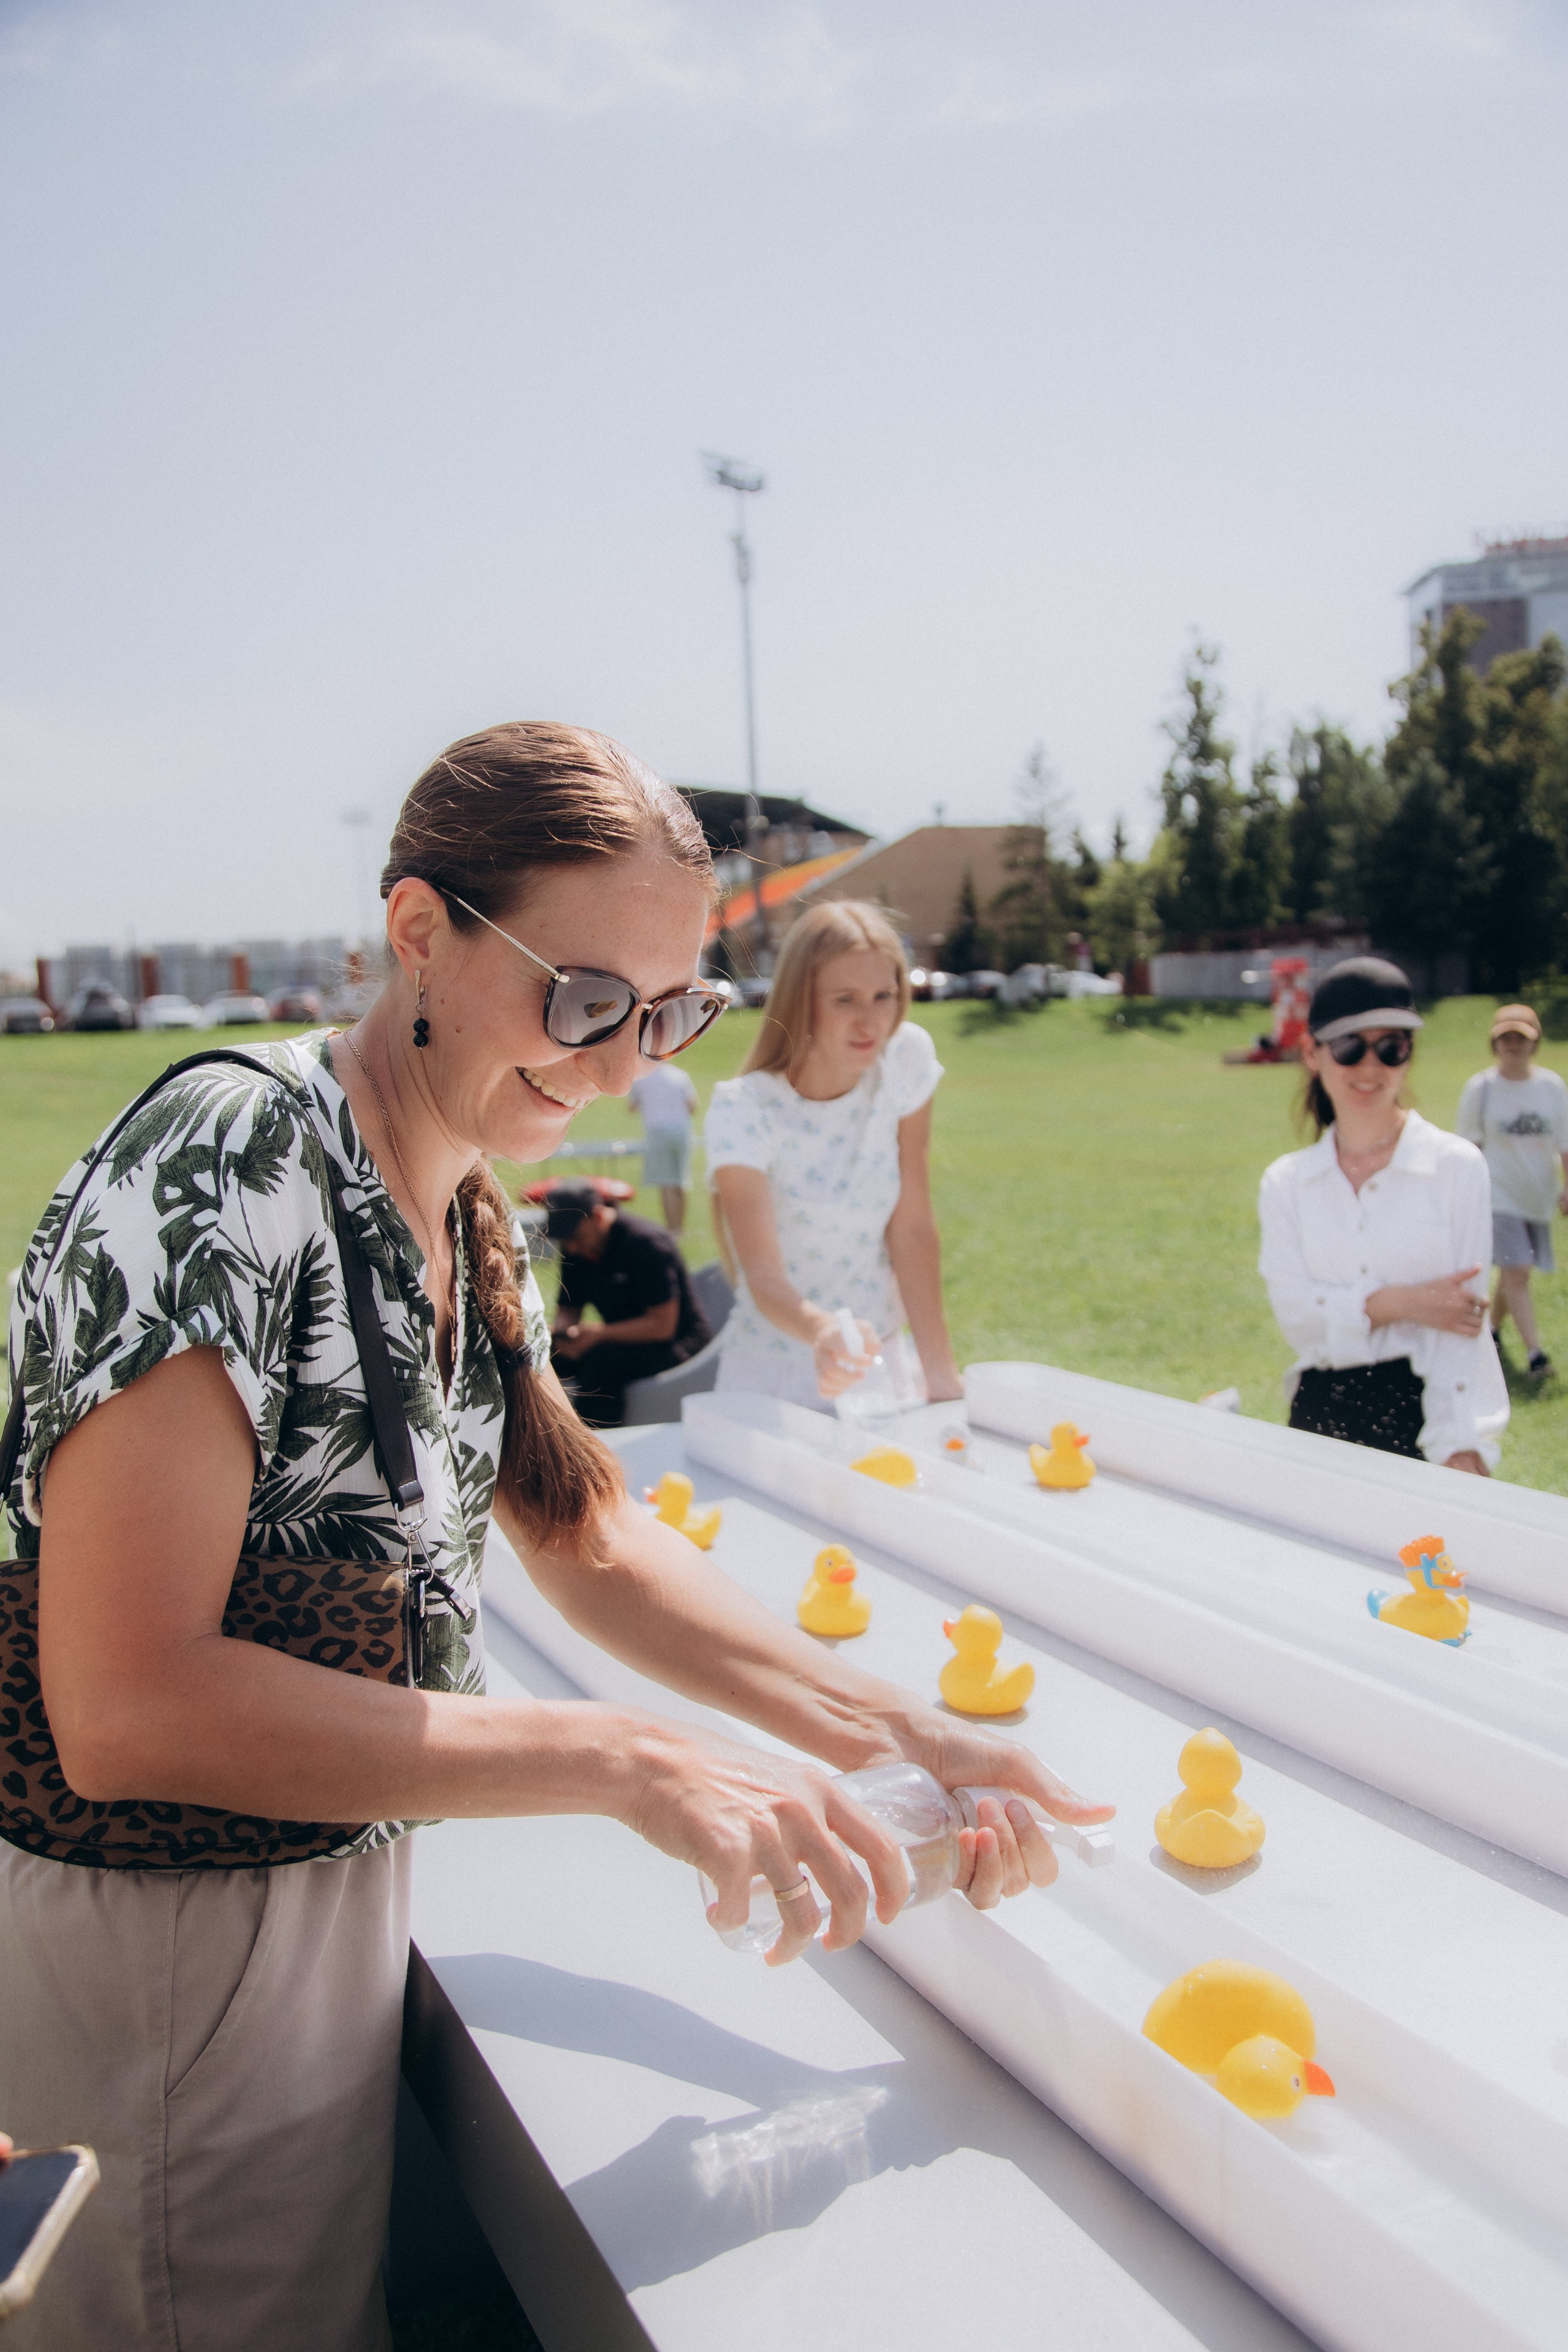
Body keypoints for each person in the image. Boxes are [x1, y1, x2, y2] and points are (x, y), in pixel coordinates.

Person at [1, 723, 1110, 2352]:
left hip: (314, 1900)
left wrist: (898, 1730)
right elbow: (124, 1707)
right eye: (583, 998)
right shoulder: (232, 1160)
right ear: (421, 932)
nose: (619, 1066)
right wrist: (631, 1764)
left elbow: (584, 1537)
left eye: (669, 1013)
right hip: (173, 1944)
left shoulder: (458, 1192)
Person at [705, 900, 963, 1411]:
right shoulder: (745, 1109)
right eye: (845, 1000)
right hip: (775, 1378)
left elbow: (912, 1229)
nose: (871, 1022)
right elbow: (762, 1276)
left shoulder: (903, 1061)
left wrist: (941, 1379)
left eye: (884, 996)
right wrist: (825, 1330)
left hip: (881, 1368)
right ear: (803, 1001)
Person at [1258, 956, 1507, 1472]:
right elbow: (1299, 1321)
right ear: (1311, 1052)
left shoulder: (1456, 1167)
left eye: (1391, 1047)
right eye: (1350, 1047)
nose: (1370, 1068)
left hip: (1425, 1423)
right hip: (1319, 1418)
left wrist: (1463, 1448)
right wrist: (1402, 1302)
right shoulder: (1286, 1184)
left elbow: (1462, 1329)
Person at [1457, 1004, 1568, 1381]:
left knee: (1515, 1273)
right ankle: (1537, 1357)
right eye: (1506, 1037)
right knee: (1517, 1268)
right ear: (1494, 1043)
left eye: (1521, 1038)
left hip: (1536, 1194)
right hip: (1497, 1195)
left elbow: (1565, 1144)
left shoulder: (1551, 1087)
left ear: (1534, 1043)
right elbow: (1467, 1150)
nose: (1513, 1045)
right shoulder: (1482, 1088)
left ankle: (1493, 1330)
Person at [548, 1180, 710, 1423]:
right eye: (564, 1239)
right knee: (540, 1355)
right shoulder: (577, 1250)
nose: (570, 1246)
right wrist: (563, 1334)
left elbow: (662, 1326)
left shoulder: (646, 1243)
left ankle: (596, 1443)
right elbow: (569, 1309)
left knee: (601, 1363)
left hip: (679, 1343)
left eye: (574, 1236)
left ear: (599, 1217)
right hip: (621, 1336)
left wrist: (597, 1335)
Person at [628, 1057, 700, 1231]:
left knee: (667, 1183)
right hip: (682, 1131)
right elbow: (693, 1106)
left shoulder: (642, 1078)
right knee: (681, 1181)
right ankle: (680, 1228)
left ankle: (672, 1229)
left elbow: (631, 1107)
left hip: (658, 1131)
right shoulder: (681, 1076)